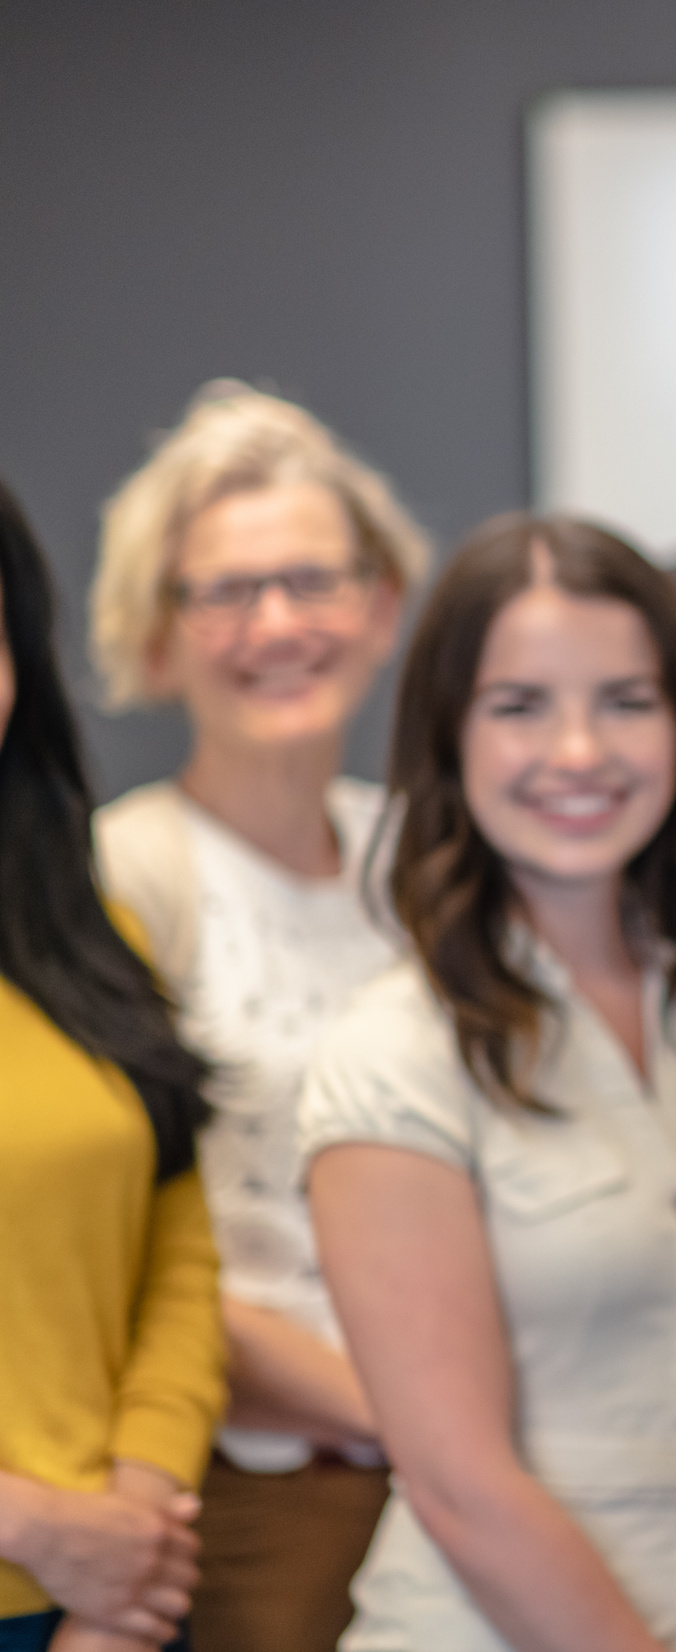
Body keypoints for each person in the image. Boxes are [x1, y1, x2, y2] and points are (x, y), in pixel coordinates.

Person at [297, 515, 676, 1652]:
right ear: (449, 734)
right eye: (520, 704)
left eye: (627, 700)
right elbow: (458, 1484)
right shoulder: (394, 1051)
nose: (579, 750)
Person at [86, 381, 428, 1652]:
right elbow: (131, 1248)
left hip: (458, 1455)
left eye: (312, 579)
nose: (276, 622)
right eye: (225, 591)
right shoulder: (120, 880)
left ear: (382, 603)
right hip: (251, 1488)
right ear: (156, 636)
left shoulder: (423, 862)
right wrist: (398, 1412)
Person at [0, 478, 224, 1652]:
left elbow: (176, 1248)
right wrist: (31, 1523)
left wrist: (126, 1540)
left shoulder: (85, 929)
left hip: (114, 1603)